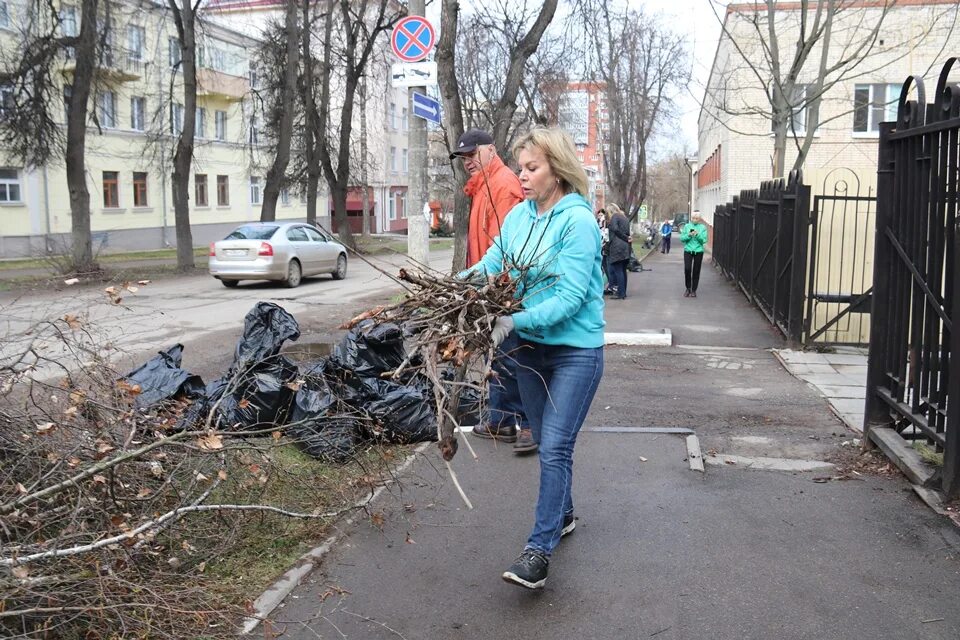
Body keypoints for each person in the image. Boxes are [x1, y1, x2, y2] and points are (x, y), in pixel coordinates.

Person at [463, 126, 605, 590]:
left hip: (574, 352)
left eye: (531, 168)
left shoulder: (577, 222)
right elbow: (492, 264)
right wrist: (451, 288)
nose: (521, 176)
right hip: (526, 350)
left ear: (557, 171)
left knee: (557, 446)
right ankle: (563, 514)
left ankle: (537, 552)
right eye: (520, 168)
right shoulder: (521, 217)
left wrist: (512, 321)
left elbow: (568, 299)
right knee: (546, 441)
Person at [449, 129, 536, 454]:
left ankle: (528, 423)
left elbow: (509, 248)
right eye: (464, 157)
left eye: (473, 154)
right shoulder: (484, 186)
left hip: (505, 292)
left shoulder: (503, 186)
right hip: (489, 291)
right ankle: (500, 419)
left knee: (513, 356)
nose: (468, 161)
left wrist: (499, 290)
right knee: (497, 356)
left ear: (491, 150)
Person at [605, 202, 631, 300]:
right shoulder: (624, 217)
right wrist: (626, 238)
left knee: (618, 270)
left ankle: (620, 293)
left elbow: (615, 229)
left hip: (617, 246)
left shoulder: (615, 217)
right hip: (625, 246)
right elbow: (628, 233)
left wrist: (623, 237)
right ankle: (623, 292)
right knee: (623, 270)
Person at [681, 212, 709, 297]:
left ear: (699, 219)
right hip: (688, 250)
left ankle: (694, 290)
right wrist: (689, 235)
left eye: (696, 218)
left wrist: (697, 235)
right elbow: (682, 238)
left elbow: (704, 240)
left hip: (698, 251)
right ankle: (688, 288)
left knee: (696, 271)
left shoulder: (702, 227)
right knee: (687, 269)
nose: (694, 220)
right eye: (693, 218)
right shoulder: (687, 226)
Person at [597, 209, 613, 295]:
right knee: (604, 266)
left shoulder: (606, 223)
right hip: (601, 246)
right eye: (598, 215)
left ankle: (611, 284)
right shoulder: (599, 223)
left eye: (601, 215)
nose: (600, 217)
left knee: (607, 266)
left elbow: (606, 235)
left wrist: (604, 244)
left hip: (605, 247)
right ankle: (609, 284)